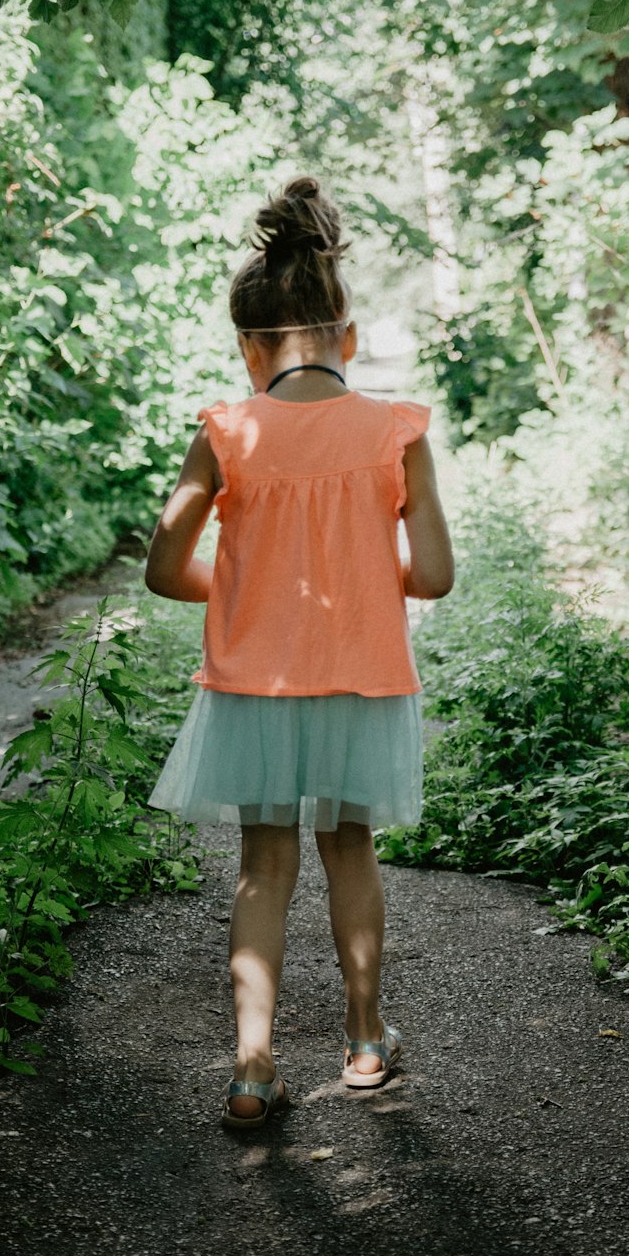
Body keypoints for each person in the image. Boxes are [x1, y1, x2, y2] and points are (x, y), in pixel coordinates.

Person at [144, 177, 454, 1131]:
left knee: (261, 864)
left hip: (254, 685)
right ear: (346, 335)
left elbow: (165, 568)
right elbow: (435, 576)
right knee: (349, 848)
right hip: (363, 681)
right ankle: (365, 1041)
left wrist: (246, 596)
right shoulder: (396, 432)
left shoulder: (226, 433)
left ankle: (250, 1068)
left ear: (249, 347)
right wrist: (364, 578)